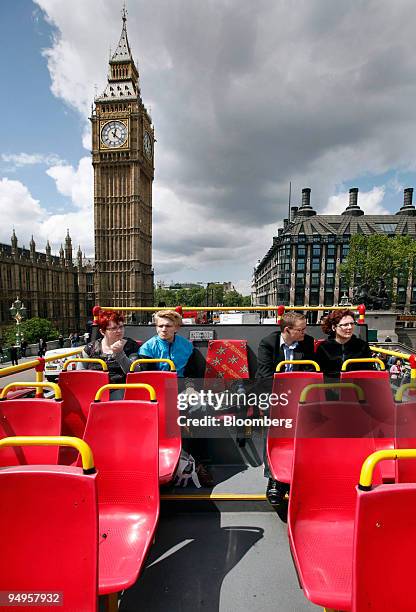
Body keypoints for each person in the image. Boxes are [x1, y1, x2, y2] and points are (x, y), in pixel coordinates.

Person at [138, 310, 212, 486]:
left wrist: (191, 389)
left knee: (201, 408)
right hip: (155, 390)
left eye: (168, 326)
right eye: (160, 326)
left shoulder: (186, 346)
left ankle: (200, 463)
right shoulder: (148, 348)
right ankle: (154, 464)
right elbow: (147, 376)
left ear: (176, 328)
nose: (163, 329)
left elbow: (192, 374)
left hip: (180, 387)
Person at [256, 311, 315, 506]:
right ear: (287, 330)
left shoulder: (307, 343)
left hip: (299, 394)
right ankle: (273, 477)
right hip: (275, 394)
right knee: (272, 429)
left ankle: (298, 472)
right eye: (301, 330)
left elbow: (310, 372)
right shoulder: (268, 343)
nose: (304, 333)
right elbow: (264, 375)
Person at [78, 309, 138, 399]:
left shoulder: (130, 345)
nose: (119, 331)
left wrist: (120, 354)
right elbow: (80, 373)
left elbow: (135, 372)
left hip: (120, 389)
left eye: (121, 327)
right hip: (94, 390)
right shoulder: (90, 348)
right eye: (114, 328)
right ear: (102, 331)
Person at [316, 309, 372, 377]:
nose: (350, 327)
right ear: (334, 327)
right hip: (330, 385)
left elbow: (368, 371)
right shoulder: (323, 347)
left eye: (352, 324)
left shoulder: (362, 346)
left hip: (356, 385)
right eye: (345, 325)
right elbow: (318, 373)